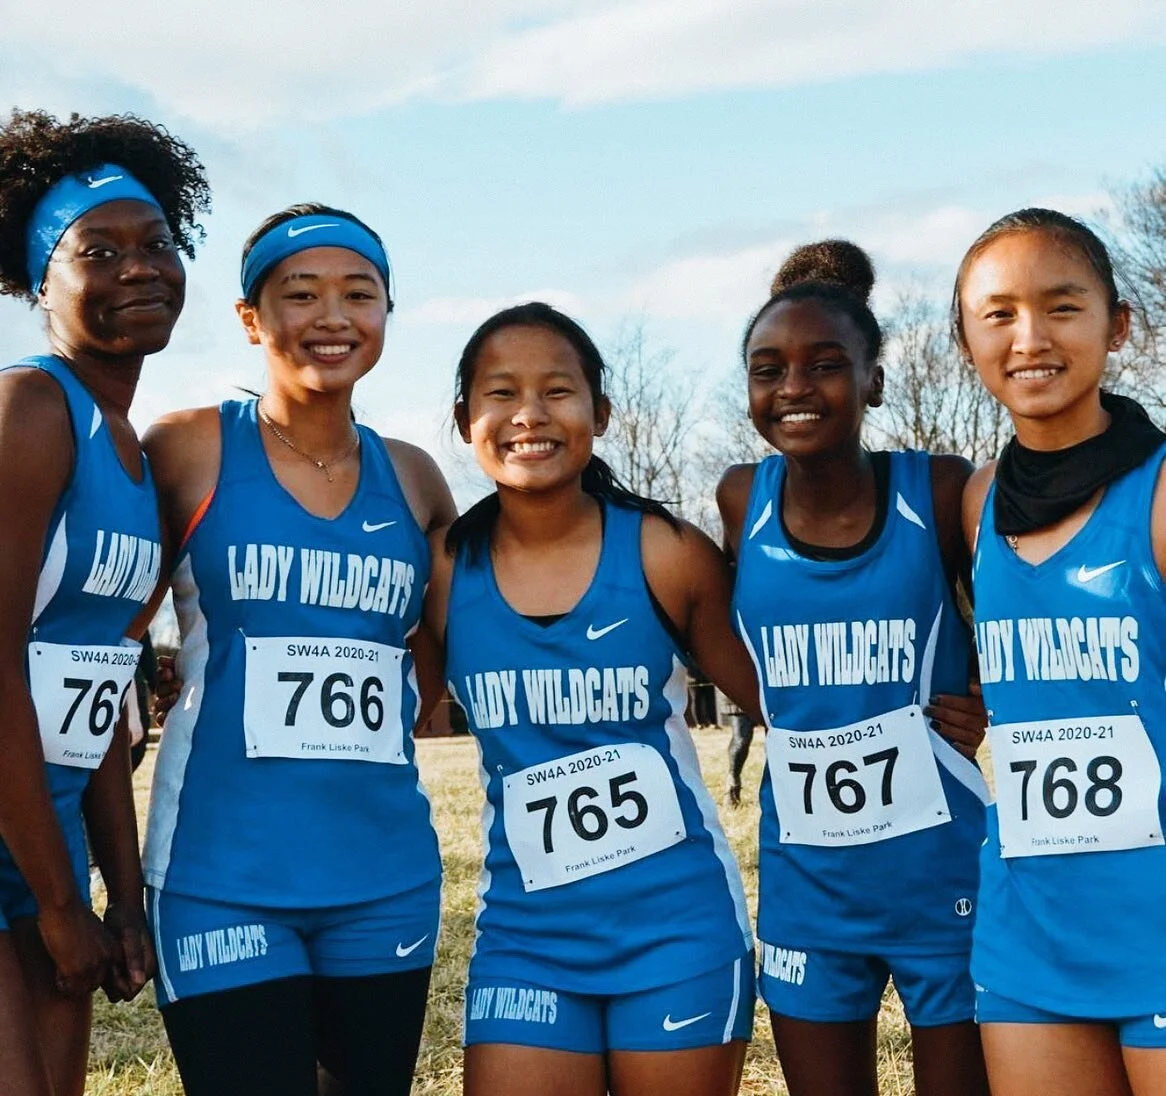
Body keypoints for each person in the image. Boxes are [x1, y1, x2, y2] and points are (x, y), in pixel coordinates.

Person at [141, 203, 456, 1096]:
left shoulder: (415, 475)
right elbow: (111, 618)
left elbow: (433, 656)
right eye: (300, 294)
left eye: (360, 294)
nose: (333, 317)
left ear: (387, 313)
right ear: (251, 318)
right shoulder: (190, 448)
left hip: (383, 873)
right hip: (218, 873)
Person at [424, 302, 761, 1096]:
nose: (529, 416)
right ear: (464, 417)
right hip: (526, 936)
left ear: (601, 413)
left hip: (678, 929)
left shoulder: (667, 552)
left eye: (557, 391)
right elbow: (391, 715)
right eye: (500, 393)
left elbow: (779, 697)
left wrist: (947, 701)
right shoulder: (442, 571)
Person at [719, 241, 990, 1096]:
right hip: (810, 885)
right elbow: (705, 630)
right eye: (770, 368)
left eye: (827, 364)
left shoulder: (939, 491)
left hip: (942, 873)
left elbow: (1024, 606)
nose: (795, 387)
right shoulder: (739, 501)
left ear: (873, 381)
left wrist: (994, 699)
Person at [0, 108, 209, 1096]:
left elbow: (95, 694)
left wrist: (119, 897)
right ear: (41, 280)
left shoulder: (135, 453)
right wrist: (55, 898)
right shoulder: (29, 410)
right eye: (100, 250)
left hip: (47, 839)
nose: (141, 266)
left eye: (159, 242)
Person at [955, 208, 1166, 1096]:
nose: (1029, 337)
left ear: (1120, 325)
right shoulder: (978, 500)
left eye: (1062, 307)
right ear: (966, 340)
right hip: (1029, 926)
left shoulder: (1158, 497)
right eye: (998, 313)